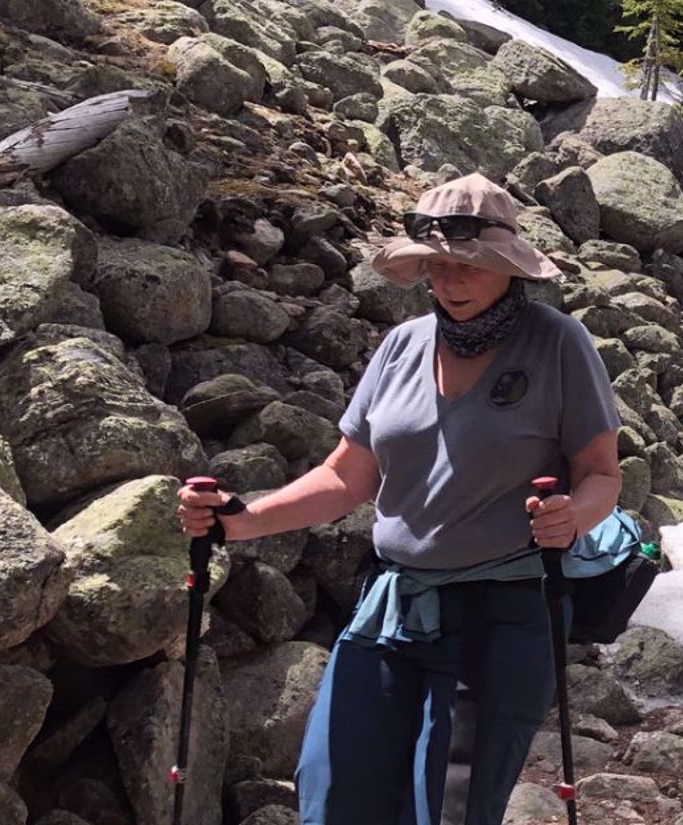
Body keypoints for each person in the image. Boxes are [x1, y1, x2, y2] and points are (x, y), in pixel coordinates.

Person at [175, 173, 623, 825]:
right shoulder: (403, 346)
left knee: (445, 809)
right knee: (332, 792)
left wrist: (572, 518)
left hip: (502, 617)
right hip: (393, 605)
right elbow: (348, 477)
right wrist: (238, 521)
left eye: (468, 264)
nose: (450, 279)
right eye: (436, 264)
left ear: (507, 268)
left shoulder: (557, 344)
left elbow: (601, 475)